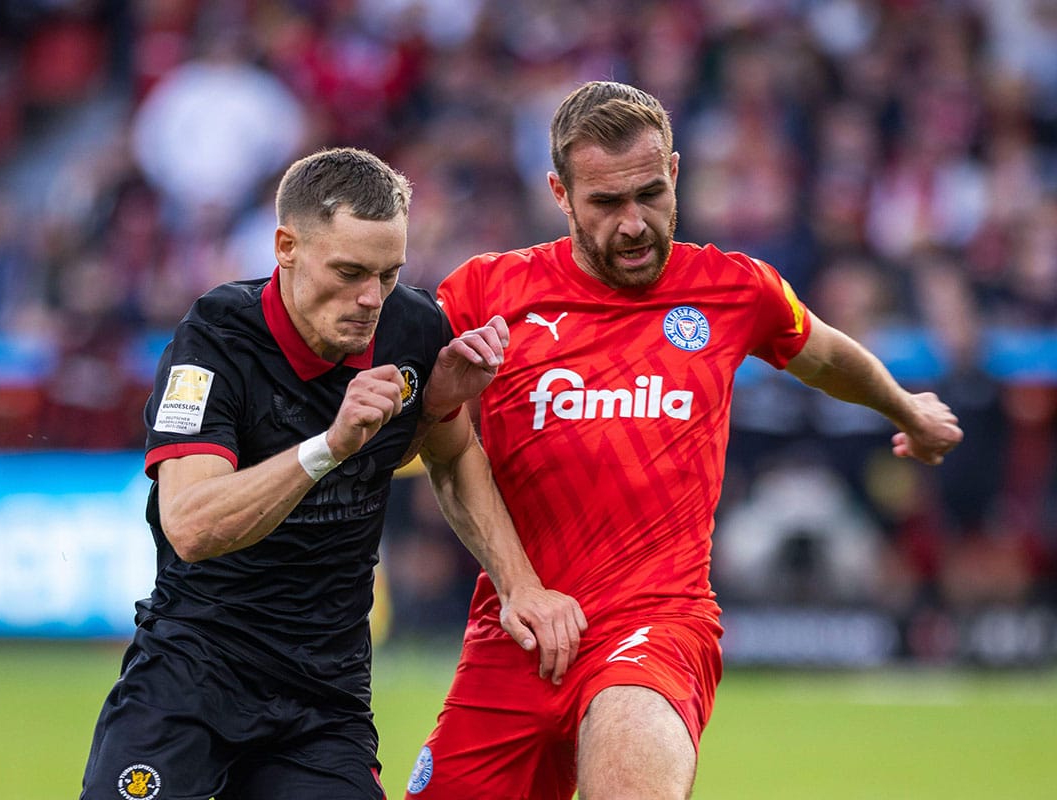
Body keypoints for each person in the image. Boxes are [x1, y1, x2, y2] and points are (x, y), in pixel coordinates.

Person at [406, 81, 963, 799]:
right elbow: (434, 443)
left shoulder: (734, 289)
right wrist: (522, 587)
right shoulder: (487, 293)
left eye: (650, 194)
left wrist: (907, 410)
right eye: (606, 204)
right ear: (560, 194)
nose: (634, 224)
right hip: (517, 628)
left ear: (674, 171)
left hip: (657, 624)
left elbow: (825, 354)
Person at [79, 147, 584, 800]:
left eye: (388, 273)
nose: (370, 298)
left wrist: (520, 586)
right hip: (192, 675)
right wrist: (328, 447)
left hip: (323, 697)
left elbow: (452, 455)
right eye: (348, 272)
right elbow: (191, 525)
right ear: (286, 246)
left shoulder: (415, 329)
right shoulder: (214, 343)